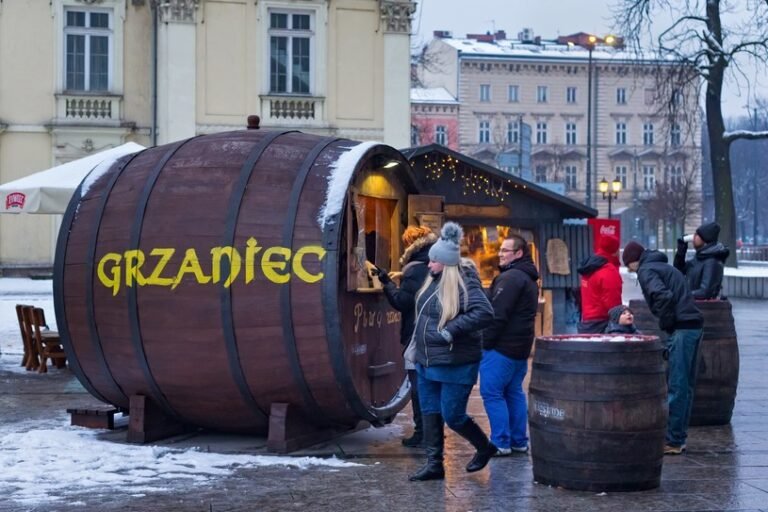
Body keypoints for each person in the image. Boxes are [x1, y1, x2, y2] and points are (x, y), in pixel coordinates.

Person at [408, 221, 496, 482]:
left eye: (434, 261)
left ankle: (485, 447)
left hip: (455, 363)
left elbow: (484, 313)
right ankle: (434, 464)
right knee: (430, 411)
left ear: (444, 263)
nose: (429, 264)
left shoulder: (465, 282)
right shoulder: (433, 280)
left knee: (453, 416)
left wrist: (451, 330)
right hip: (426, 360)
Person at [622, 241, 703, 455]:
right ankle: (679, 437)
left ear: (632, 261)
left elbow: (663, 296)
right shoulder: (663, 266)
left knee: (676, 385)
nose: (630, 270)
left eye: (628, 266)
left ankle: (674, 440)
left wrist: (666, 322)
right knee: (686, 386)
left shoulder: (646, 270)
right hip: (694, 326)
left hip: (682, 329)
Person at [376, 226, 437, 448]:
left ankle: (423, 433)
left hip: (415, 334)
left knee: (419, 385)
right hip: (435, 333)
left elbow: (402, 302)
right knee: (431, 383)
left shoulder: (414, 268)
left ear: (411, 244)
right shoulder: (435, 263)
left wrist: (387, 283)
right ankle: (433, 431)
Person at [480, 234, 539, 456]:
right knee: (514, 392)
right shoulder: (527, 278)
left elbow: (497, 315)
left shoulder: (511, 278)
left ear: (519, 253)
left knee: (492, 393)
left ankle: (500, 442)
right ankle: (518, 441)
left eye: (506, 250)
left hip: (501, 348)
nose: (500, 254)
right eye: (501, 250)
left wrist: (485, 343)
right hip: (520, 348)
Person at [576, 235, 623, 333]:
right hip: (602, 324)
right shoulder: (608, 271)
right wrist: (619, 319)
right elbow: (613, 301)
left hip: (587, 322)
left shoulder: (590, 267)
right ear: (615, 251)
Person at [674, 222, 730, 299]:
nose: (693, 237)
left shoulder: (711, 262)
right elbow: (678, 270)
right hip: (694, 306)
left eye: (697, 235)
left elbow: (705, 292)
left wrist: (682, 294)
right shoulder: (700, 258)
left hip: (704, 309)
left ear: (705, 239)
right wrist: (681, 251)